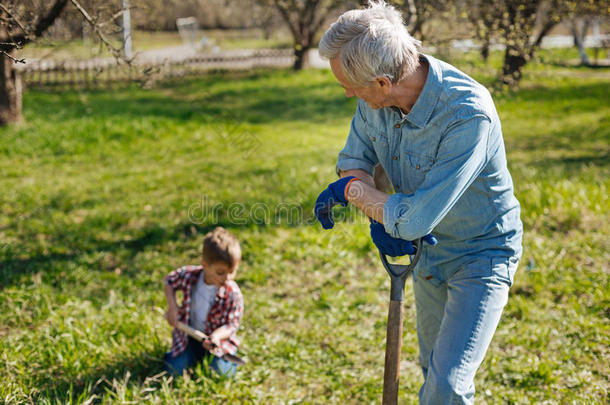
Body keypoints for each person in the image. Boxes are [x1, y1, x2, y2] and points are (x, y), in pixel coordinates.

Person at [314, 1, 523, 404]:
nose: (346, 92)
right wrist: (379, 212)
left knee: (447, 386)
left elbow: (411, 221)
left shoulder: (467, 115)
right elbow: (354, 161)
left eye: (351, 86)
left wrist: (356, 196)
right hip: (427, 255)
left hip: (480, 254)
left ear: (382, 82)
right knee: (432, 372)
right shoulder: (374, 100)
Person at [163, 226, 244, 377]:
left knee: (220, 374)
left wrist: (216, 337)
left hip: (216, 342)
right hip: (190, 337)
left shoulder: (232, 293)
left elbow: (231, 324)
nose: (226, 278)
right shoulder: (190, 276)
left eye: (231, 272)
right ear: (205, 265)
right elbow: (169, 281)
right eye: (220, 273)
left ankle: (217, 361)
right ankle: (185, 357)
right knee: (174, 370)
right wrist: (172, 307)